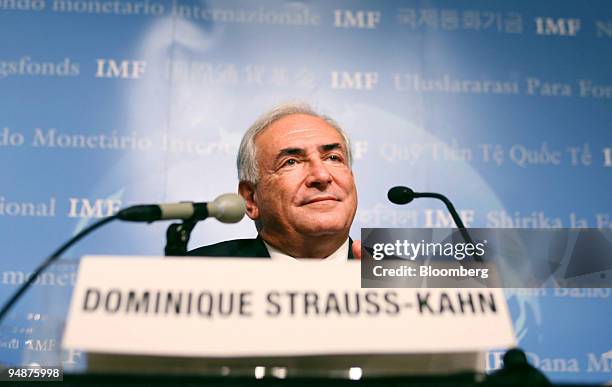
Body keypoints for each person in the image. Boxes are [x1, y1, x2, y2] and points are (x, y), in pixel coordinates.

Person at [188, 102, 361, 260]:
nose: (322, 176)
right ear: (250, 199)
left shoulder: (384, 264)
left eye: (333, 158)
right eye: (291, 162)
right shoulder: (197, 272)